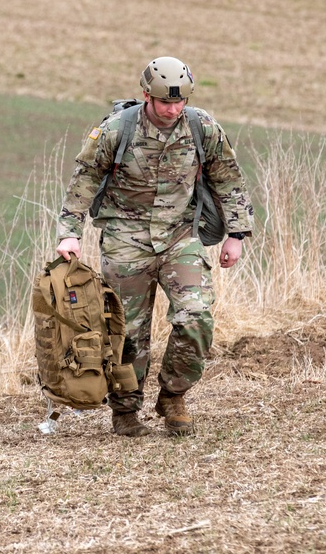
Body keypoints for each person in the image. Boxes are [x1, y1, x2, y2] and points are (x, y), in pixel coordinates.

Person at [56, 56, 254, 437]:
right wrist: (70, 232)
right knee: (128, 333)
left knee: (196, 317)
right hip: (125, 239)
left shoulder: (202, 127)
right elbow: (84, 178)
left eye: (179, 102)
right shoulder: (117, 130)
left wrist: (237, 234)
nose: (172, 109)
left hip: (181, 237)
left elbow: (228, 179)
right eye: (165, 102)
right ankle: (126, 411)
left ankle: (173, 397)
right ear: (146, 95)